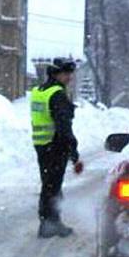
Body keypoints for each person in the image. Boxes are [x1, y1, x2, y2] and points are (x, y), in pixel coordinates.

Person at [30, 58, 85, 238]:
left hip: (41, 144)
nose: (69, 78)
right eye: (66, 74)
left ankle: (49, 221)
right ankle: (49, 223)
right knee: (53, 186)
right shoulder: (57, 94)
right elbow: (63, 127)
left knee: (49, 184)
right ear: (57, 74)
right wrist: (72, 150)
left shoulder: (39, 91)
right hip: (55, 145)